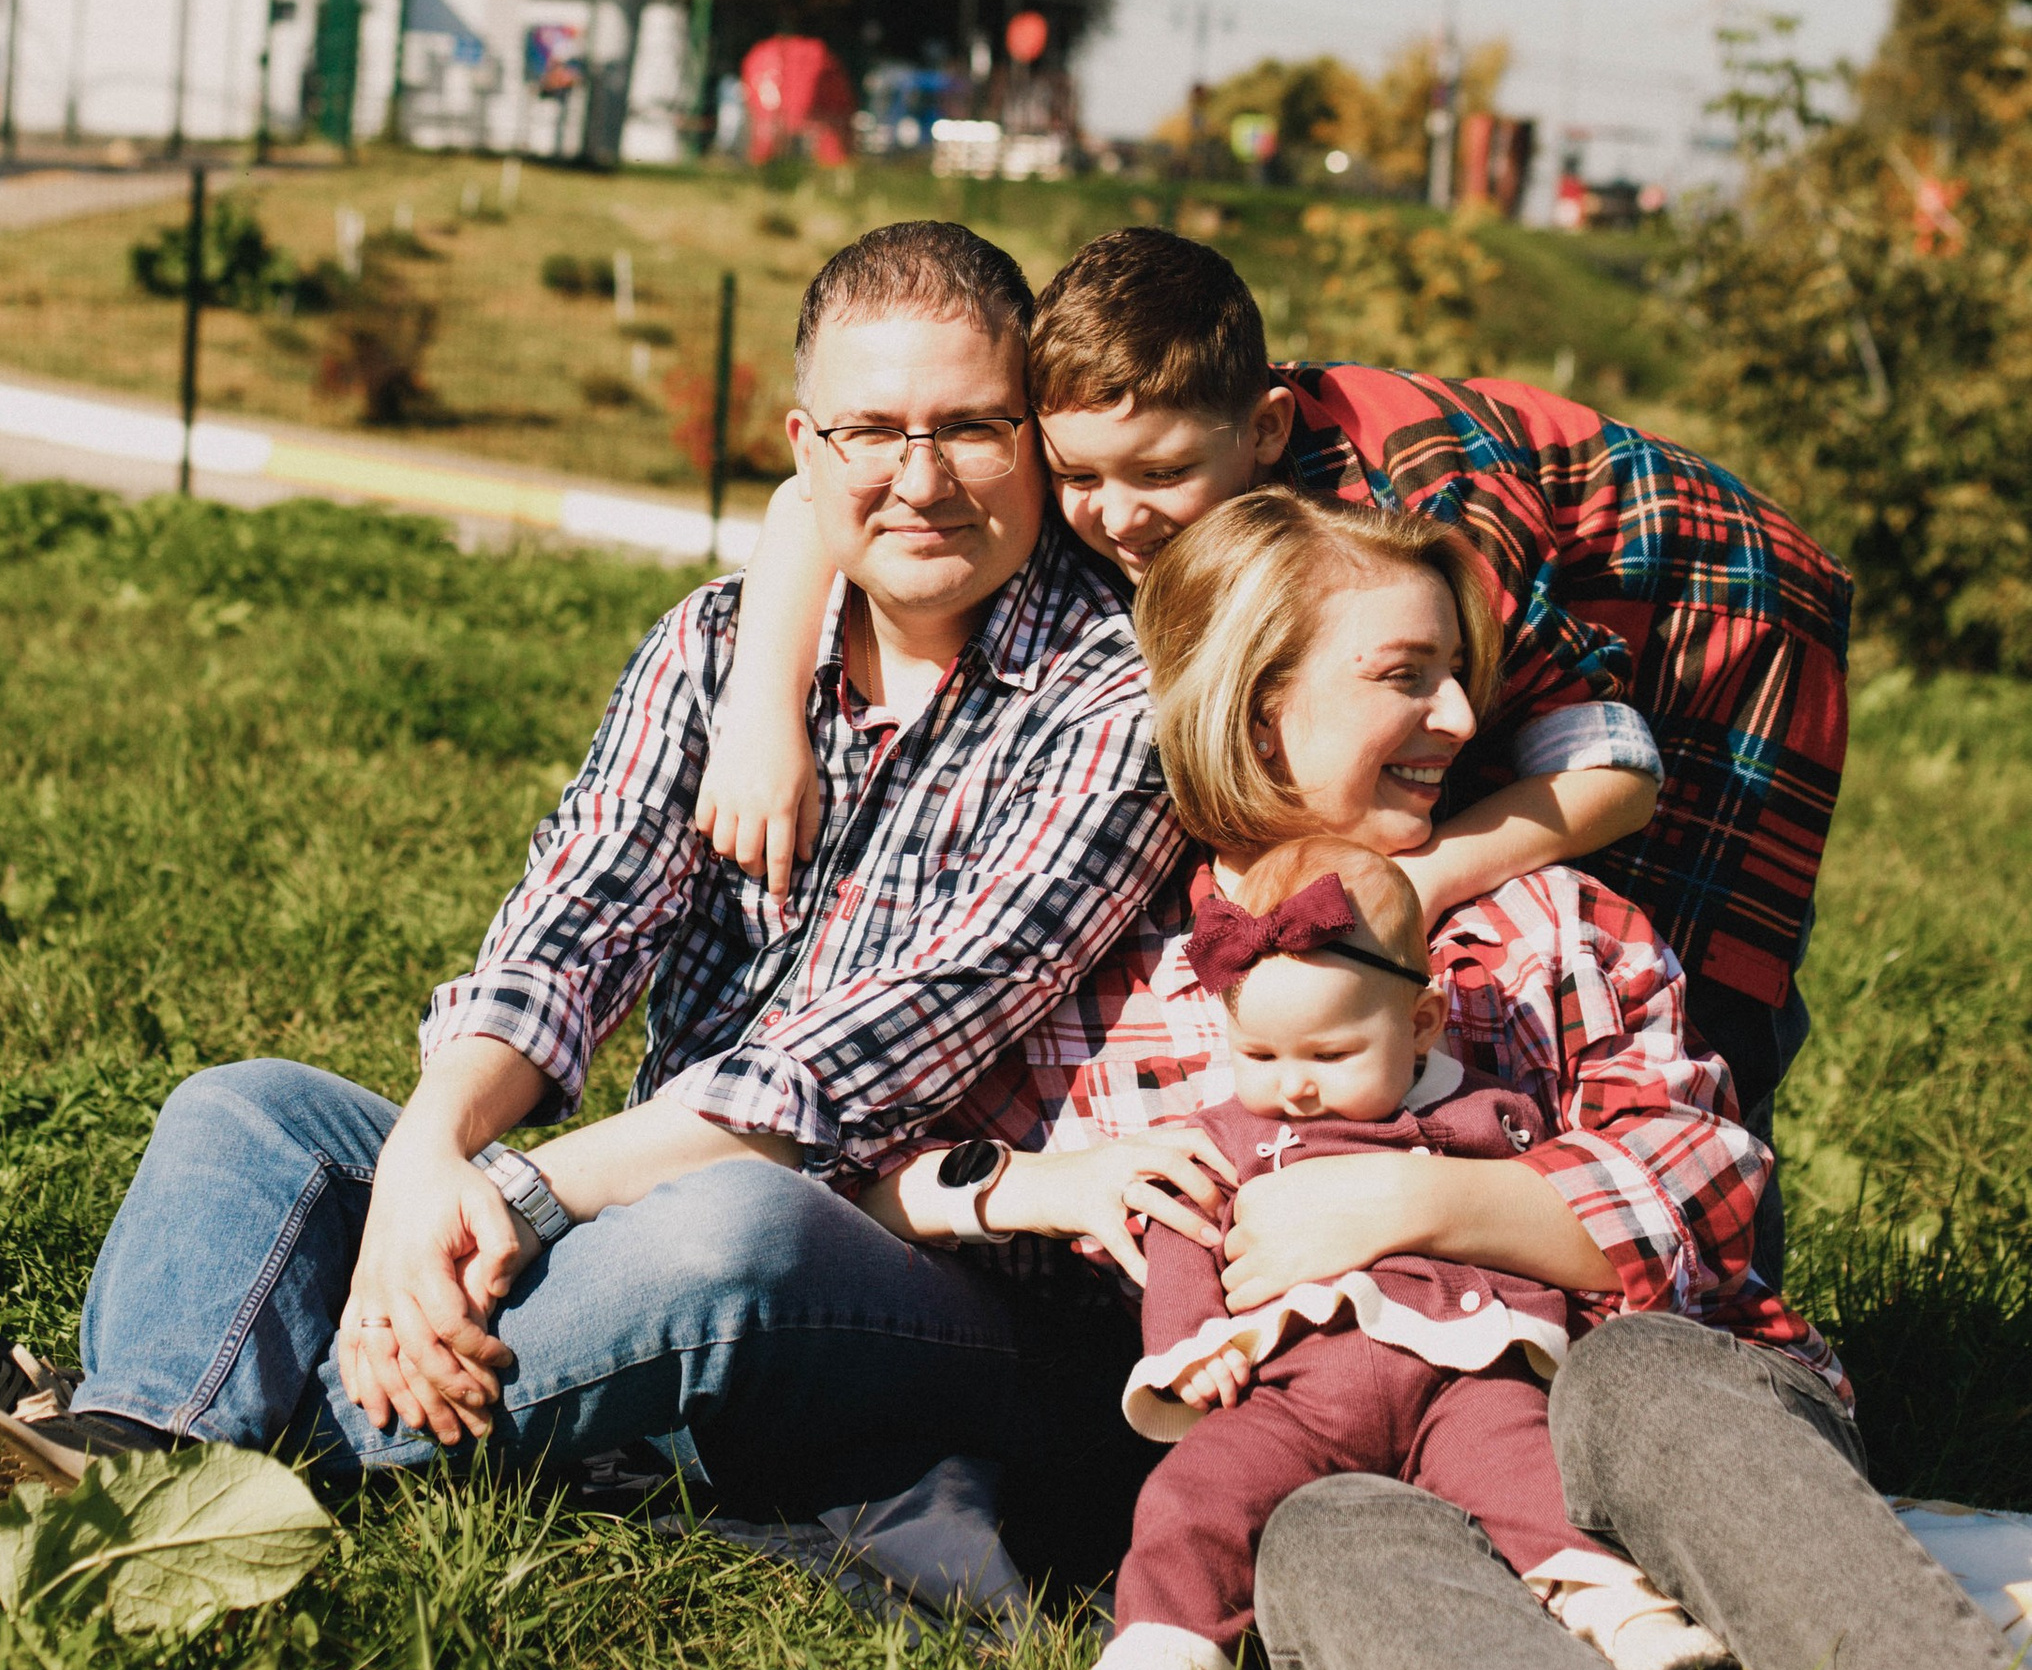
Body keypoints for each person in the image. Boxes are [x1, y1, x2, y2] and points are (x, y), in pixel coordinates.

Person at [0, 221, 1200, 1570]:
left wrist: (504, 1195)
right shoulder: (720, 643)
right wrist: (427, 1154)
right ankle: (126, 1445)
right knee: (248, 1110)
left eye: (968, 428)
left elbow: (841, 1078)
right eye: (872, 434)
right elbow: (568, 929)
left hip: (928, 1261)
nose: (922, 476)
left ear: (1033, 432)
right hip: (637, 1187)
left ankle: (117, 1449)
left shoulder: (1121, 707)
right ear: (804, 448)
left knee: (733, 1235)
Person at [863, 489, 2016, 1670]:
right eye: (1406, 674)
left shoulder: (1549, 922)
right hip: (1351, 1472)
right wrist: (1022, 1187)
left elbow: (1712, 1189)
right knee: (1332, 1542)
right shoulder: (1114, 967)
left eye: (1458, 672)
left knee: (1646, 1376)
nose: (1466, 715)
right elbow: (859, 1161)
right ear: (1262, 703)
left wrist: (1417, 1206)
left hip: (1624, 1416)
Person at [697, 225, 1848, 1143]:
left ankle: (1688, 1209)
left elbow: (1614, 764)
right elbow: (816, 490)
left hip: (1707, 619)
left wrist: (1414, 880)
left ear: (1263, 434)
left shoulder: (1412, 532)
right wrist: (762, 713)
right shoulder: (1107, 434)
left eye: (1161, 474)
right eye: (1079, 476)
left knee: (1673, 969)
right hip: (1491, 610)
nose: (1116, 513)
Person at [1091, 836, 1721, 1670]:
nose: (1296, 1086)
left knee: (1536, 1480)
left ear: (1422, 1024)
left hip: (1466, 1378)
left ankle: (1627, 1623)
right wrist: (1190, 1348)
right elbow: (1181, 1238)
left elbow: (1541, 1214)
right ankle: (1169, 1660)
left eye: (1333, 1052)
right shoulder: (1226, 1136)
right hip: (1292, 1391)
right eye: (1260, 1054)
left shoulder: (1487, 1115)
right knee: (1196, 1493)